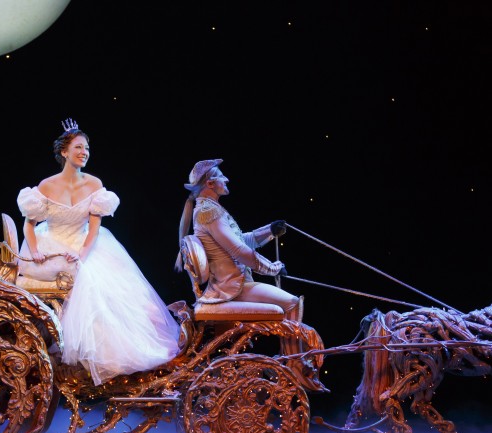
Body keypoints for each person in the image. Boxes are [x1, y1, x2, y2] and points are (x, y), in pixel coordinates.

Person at [16, 119, 181, 385]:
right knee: (80, 279)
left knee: (96, 279)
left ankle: (108, 362)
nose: (84, 152)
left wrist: (81, 254)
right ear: (64, 152)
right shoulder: (46, 186)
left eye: (87, 148)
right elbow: (29, 225)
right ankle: (63, 356)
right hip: (51, 243)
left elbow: (93, 229)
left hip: (84, 244)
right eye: (79, 147)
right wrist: (34, 250)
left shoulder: (94, 184)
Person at [176, 159, 303, 322]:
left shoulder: (211, 209)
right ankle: (297, 349)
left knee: (292, 305)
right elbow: (238, 251)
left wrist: (269, 231)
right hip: (231, 287)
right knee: (293, 304)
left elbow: (240, 241)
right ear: (210, 183)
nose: (227, 179)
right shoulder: (208, 212)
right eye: (222, 176)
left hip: (236, 284)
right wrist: (272, 268)